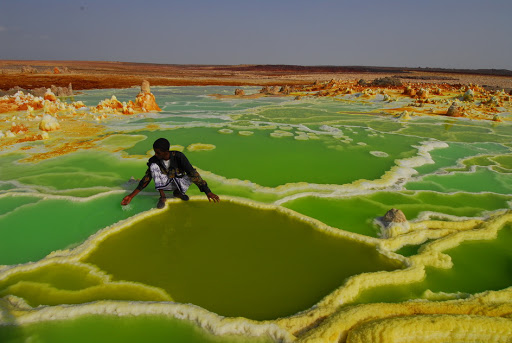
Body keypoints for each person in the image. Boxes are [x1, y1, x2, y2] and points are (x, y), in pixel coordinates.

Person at [121, 138, 220, 208]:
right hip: (163, 183)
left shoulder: (178, 156)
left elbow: (192, 173)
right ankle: (162, 197)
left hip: (177, 181)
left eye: (158, 152)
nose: (155, 154)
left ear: (166, 151)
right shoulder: (154, 160)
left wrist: (208, 191)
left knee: (193, 174)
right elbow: (146, 179)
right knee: (153, 167)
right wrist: (131, 196)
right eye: (155, 152)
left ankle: (177, 193)